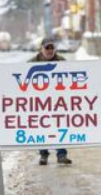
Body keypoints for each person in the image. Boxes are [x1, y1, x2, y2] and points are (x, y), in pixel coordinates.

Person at [28, 37, 72, 166]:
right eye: (47, 48)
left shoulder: (62, 61)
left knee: (60, 126)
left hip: (58, 101)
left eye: (52, 48)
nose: (49, 50)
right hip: (39, 102)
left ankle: (62, 155)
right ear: (41, 49)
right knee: (42, 127)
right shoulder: (31, 63)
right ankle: (43, 155)